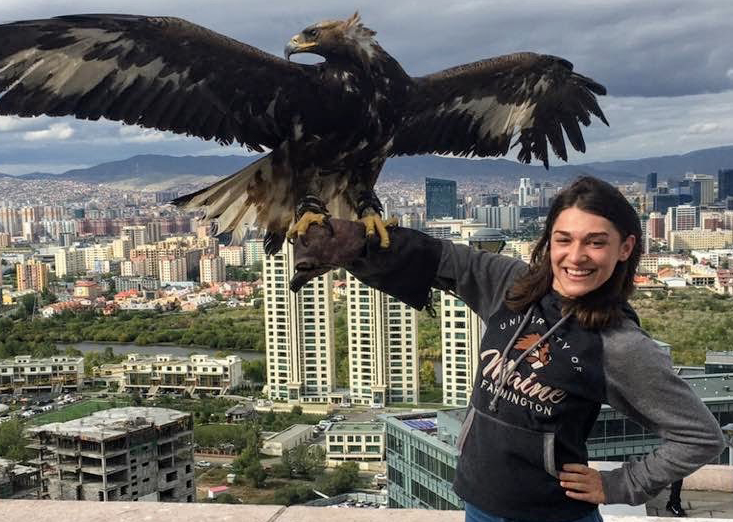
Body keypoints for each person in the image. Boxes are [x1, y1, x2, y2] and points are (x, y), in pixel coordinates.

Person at [289, 176, 725, 522]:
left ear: (625, 248)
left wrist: (619, 486)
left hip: (552, 518)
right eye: (564, 239)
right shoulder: (513, 288)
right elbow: (445, 259)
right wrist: (363, 244)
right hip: (479, 504)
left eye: (596, 241)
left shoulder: (621, 345)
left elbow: (700, 436)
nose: (577, 256)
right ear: (548, 241)